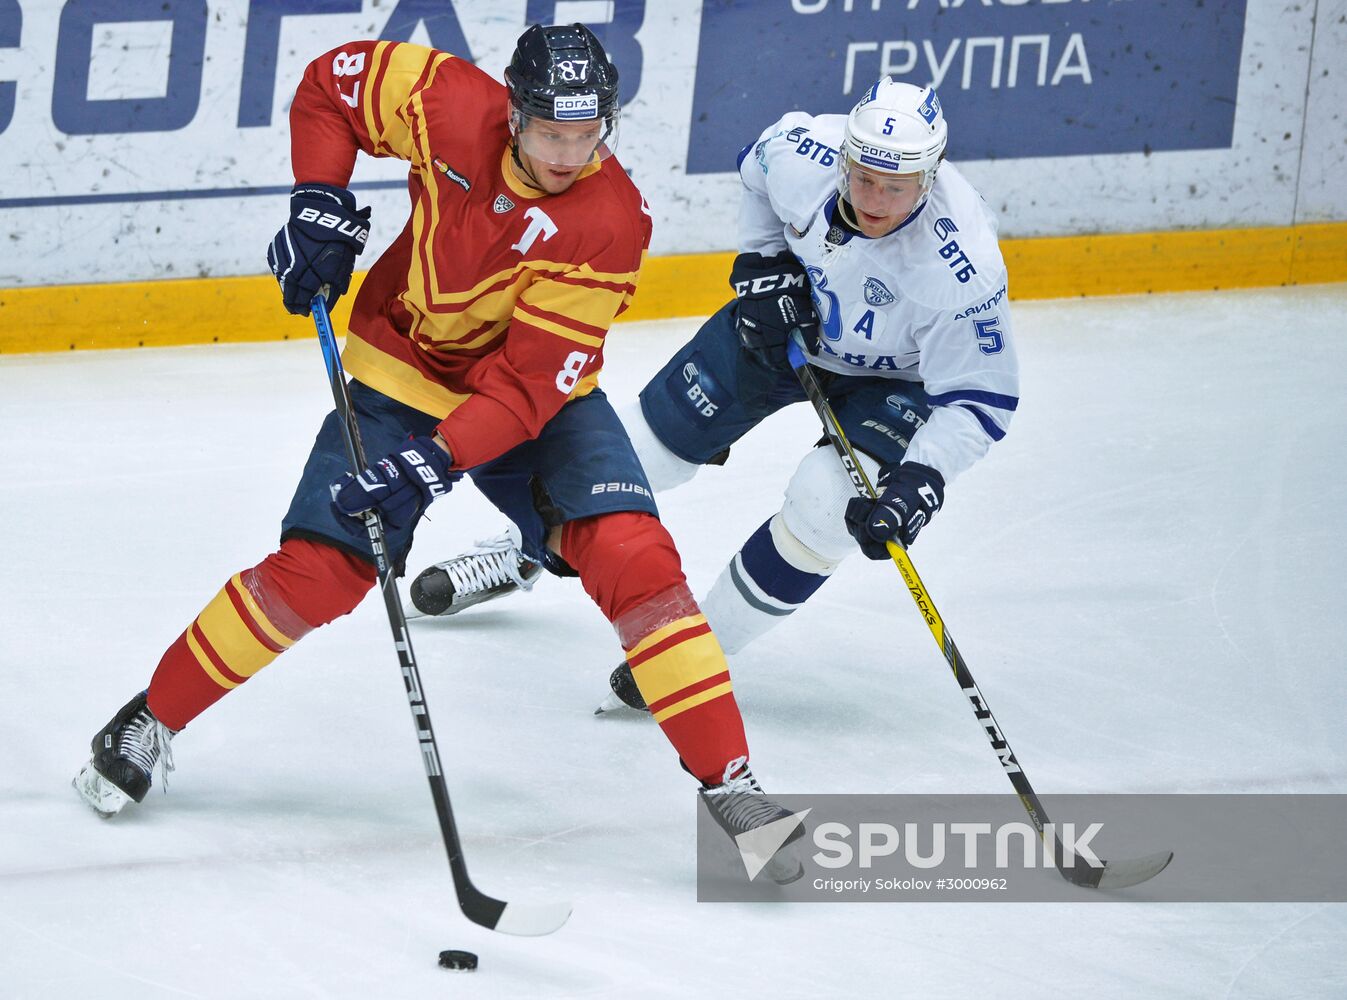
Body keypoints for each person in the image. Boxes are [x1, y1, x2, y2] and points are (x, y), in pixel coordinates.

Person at [73, 24, 801, 877]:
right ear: (514, 113)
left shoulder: (609, 220)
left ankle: (732, 785)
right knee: (321, 570)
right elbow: (328, 87)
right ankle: (149, 719)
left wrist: (430, 463)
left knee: (634, 557)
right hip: (397, 369)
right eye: (551, 133)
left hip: (533, 402)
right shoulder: (449, 103)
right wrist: (317, 198)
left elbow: (527, 389)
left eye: (589, 134)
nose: (570, 154)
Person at [409, 77, 1019, 713]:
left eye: (897, 186)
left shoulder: (964, 265)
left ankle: (690, 652)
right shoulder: (802, 153)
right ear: (844, 155)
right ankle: (520, 553)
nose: (875, 199)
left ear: (931, 174)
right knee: (632, 458)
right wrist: (762, 261)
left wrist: (922, 476)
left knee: (825, 504)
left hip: (895, 379)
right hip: (783, 332)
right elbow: (757, 170)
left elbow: (980, 398)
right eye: (863, 177)